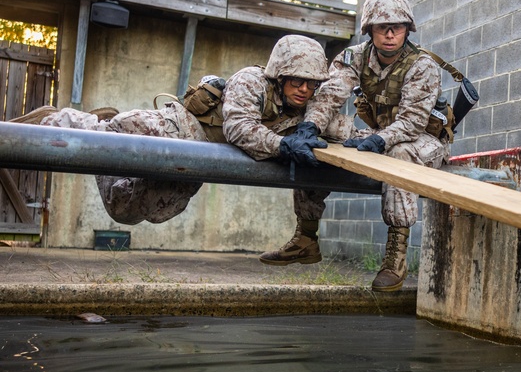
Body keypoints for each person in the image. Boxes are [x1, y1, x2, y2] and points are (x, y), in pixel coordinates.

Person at [11, 34, 335, 227]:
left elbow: (339, 131)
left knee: (126, 210)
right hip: (176, 127)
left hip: (198, 163)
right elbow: (238, 129)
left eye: (311, 83)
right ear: (279, 75)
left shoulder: (305, 112)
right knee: (110, 136)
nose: (304, 89)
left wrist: (378, 140)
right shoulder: (251, 80)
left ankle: (100, 123)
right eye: (297, 80)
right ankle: (61, 120)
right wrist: (283, 147)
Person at [259, 0, 450, 293]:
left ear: (407, 29)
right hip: (378, 137)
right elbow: (331, 93)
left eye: (397, 27)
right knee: (315, 139)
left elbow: (413, 123)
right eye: (381, 27)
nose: (389, 34)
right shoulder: (355, 56)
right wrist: (310, 126)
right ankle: (306, 238)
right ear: (369, 29)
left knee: (400, 153)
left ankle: (395, 258)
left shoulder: (422, 66)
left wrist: (379, 140)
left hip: (421, 141)